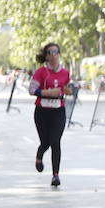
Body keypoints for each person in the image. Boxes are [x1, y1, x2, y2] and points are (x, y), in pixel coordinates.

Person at [28, 43, 74, 188]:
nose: (54, 55)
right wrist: (46, 92)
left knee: (55, 141)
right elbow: (31, 89)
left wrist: (69, 90)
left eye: (56, 52)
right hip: (42, 111)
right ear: (46, 56)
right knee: (45, 142)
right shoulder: (41, 72)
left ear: (59, 54)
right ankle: (39, 154)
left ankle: (56, 175)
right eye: (50, 52)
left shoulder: (65, 73)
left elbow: (70, 88)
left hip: (58, 110)